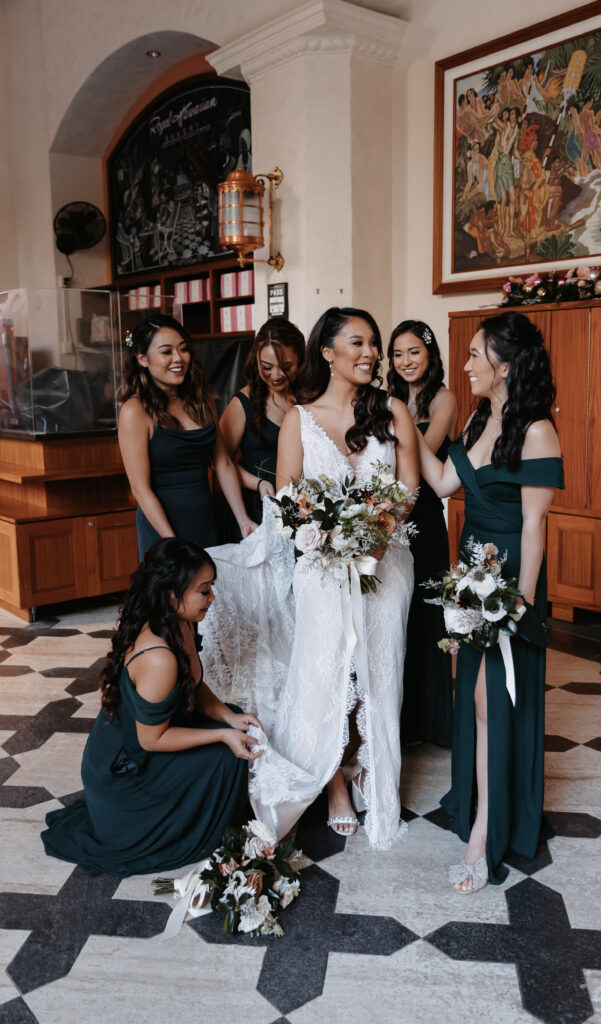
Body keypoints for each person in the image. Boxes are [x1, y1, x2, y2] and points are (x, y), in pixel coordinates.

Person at [201, 307, 419, 849]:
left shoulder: (393, 412)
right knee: (332, 672)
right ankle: (334, 787)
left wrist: (375, 530)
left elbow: (410, 489)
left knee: (380, 672)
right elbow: (288, 499)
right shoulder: (299, 419)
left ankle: (376, 776)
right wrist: (326, 537)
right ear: (328, 352)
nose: (370, 352)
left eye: (374, 343)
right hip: (322, 570)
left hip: (384, 565)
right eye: (358, 342)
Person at [417, 311, 563, 893]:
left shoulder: (537, 431)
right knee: (476, 699)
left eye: (476, 354)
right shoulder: (480, 419)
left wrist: (518, 608)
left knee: (493, 700)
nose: (467, 364)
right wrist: (403, 420)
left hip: (508, 586)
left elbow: (534, 527)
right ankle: (481, 799)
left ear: (503, 364)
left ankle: (487, 828)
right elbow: (445, 484)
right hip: (469, 574)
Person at [41, 538, 262, 877]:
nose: (212, 598)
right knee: (225, 754)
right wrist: (220, 736)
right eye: (204, 591)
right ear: (173, 595)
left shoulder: (178, 620)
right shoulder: (159, 657)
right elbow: (151, 741)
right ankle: (197, 828)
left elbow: (192, 683)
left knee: (231, 718)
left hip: (145, 739)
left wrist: (227, 717)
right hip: (127, 770)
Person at [118, 314, 256, 557]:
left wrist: (243, 519)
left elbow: (222, 463)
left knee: (210, 592)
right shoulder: (134, 411)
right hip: (163, 529)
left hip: (204, 519)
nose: (178, 358)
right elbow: (140, 489)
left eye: (183, 349)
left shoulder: (201, 402)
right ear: (142, 359)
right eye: (166, 351)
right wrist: (172, 542)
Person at [387, 319, 458, 747]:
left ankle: (430, 721)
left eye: (413, 351)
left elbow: (423, 453)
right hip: (391, 514)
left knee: (427, 612)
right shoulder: (389, 398)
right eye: (397, 353)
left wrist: (395, 419)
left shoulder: (443, 399)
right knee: (398, 612)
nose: (405, 361)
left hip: (426, 516)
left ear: (429, 354)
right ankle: (400, 716)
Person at [219, 317, 305, 540]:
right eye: (267, 367)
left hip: (301, 509)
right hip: (254, 508)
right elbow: (220, 463)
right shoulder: (242, 402)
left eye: (287, 367)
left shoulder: (308, 398)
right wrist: (257, 483)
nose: (276, 375)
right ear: (256, 359)